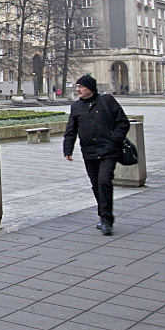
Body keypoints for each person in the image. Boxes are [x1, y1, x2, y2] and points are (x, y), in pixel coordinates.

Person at [63, 75, 130, 236]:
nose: (77, 89)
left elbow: (123, 122)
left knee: (104, 181)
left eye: (81, 86)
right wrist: (68, 150)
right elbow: (71, 131)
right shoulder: (76, 107)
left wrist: (114, 139)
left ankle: (107, 219)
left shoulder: (107, 101)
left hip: (109, 151)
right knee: (96, 184)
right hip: (89, 152)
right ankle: (103, 214)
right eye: (77, 86)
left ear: (90, 88)